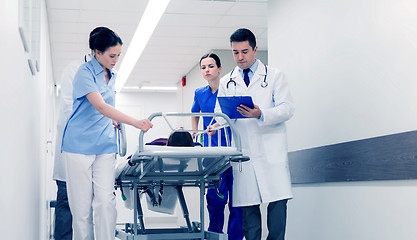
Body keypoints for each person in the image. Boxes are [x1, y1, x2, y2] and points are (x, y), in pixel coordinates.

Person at [61, 27, 153, 240]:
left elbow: (107, 109)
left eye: (118, 55)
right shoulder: (84, 72)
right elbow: (100, 106)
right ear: (96, 52)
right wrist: (135, 122)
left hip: (104, 145)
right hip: (79, 146)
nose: (116, 60)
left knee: (105, 203)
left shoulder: (113, 75)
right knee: (82, 209)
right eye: (112, 55)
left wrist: (114, 120)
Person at [209, 28, 295, 240]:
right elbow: (220, 113)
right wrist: (217, 123)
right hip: (245, 155)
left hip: (271, 153)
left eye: (245, 51)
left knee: (277, 215)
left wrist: (261, 113)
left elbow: (287, 109)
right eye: (236, 52)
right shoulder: (227, 80)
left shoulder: (274, 76)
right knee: (250, 221)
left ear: (255, 49)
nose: (240, 57)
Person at [53, 26, 108, 240]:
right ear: (96, 51)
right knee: (67, 202)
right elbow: (69, 109)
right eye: (110, 55)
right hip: (73, 147)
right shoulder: (74, 70)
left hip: (97, 150)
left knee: (93, 206)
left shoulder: (106, 75)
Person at [191, 53, 244, 240]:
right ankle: (215, 235)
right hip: (212, 153)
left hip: (232, 150)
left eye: (211, 66)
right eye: (204, 67)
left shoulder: (229, 89)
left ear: (219, 68)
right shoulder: (199, 93)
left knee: (238, 200)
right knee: (214, 199)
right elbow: (194, 112)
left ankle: (235, 237)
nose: (207, 70)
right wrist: (195, 132)